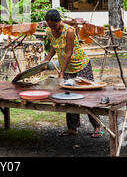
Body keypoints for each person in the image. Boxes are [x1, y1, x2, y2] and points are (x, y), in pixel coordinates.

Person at [42, 9, 103, 138]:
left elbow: (69, 53)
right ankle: (72, 128)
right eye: (50, 26)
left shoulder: (69, 31)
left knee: (87, 95)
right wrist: (45, 61)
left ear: (59, 21)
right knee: (68, 97)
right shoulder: (49, 31)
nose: (52, 28)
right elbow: (54, 47)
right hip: (67, 67)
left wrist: (62, 72)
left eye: (54, 25)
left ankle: (98, 126)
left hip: (81, 65)